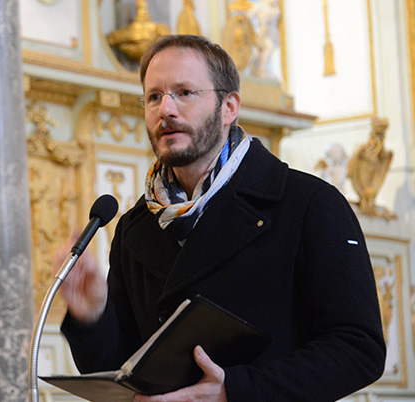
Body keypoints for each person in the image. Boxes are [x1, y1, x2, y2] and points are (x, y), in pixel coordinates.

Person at [55, 34, 385, 402]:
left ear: (229, 106)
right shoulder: (136, 227)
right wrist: (92, 318)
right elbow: (126, 372)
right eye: (154, 96)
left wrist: (235, 390)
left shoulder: (308, 203)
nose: (166, 109)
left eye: (184, 92)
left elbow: (358, 349)